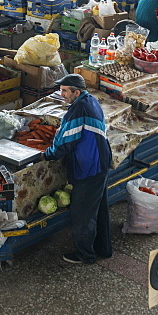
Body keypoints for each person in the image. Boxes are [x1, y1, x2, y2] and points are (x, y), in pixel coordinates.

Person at [44, 74, 113, 265]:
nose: (62, 93)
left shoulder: (79, 109)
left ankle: (85, 255)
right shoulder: (90, 100)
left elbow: (65, 140)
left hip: (90, 167)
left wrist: (48, 154)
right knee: (98, 208)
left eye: (65, 90)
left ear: (77, 92)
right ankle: (103, 249)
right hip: (100, 162)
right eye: (61, 89)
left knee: (82, 214)